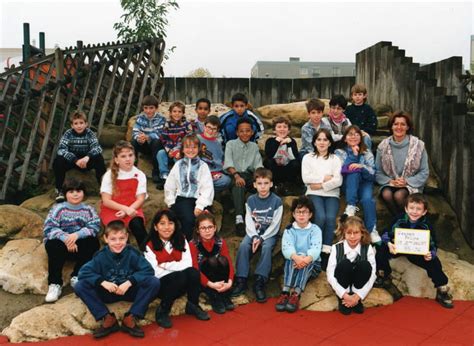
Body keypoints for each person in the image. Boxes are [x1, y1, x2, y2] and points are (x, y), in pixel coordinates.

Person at [74, 220, 160, 338]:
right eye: (113, 239)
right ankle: (107, 318)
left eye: (121, 238)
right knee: (80, 285)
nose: (118, 243)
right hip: (109, 292)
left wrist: (130, 282)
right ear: (106, 238)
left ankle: (131, 317)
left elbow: (148, 270)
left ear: (127, 237)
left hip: (129, 291)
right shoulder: (101, 256)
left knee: (153, 281)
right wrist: (102, 282)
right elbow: (83, 272)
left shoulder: (132, 253)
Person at [375, 193, 453, 308]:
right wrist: (389, 243)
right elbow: (386, 233)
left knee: (434, 261)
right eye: (411, 208)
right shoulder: (399, 219)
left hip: (416, 252)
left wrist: (430, 253)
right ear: (406, 208)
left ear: (424, 211)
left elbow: (433, 243)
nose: (414, 211)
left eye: (418, 209)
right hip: (398, 249)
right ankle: (383, 274)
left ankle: (441, 289)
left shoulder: (426, 225)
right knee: (381, 248)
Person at [144, 209, 210, 329]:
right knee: (179, 276)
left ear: (175, 225)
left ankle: (193, 305)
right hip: (162, 286)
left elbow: (188, 264)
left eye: (170, 223)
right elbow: (155, 272)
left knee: (193, 272)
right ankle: (163, 309)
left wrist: (165, 265)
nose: (167, 227)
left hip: (180, 283)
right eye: (162, 223)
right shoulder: (149, 246)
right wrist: (177, 266)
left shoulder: (181, 239)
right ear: (155, 227)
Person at [43, 178, 100, 303]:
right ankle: (55, 284)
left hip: (79, 245)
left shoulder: (88, 210)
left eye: (78, 191)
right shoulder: (58, 209)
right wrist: (66, 238)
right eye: (71, 191)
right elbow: (49, 228)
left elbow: (94, 227)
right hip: (61, 245)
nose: (75, 194)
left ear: (83, 193)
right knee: (52, 244)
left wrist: (77, 235)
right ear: (65, 194)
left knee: (93, 242)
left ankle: (78, 275)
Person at [231, 168, 283, 303]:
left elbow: (275, 224)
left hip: (269, 234)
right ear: (254, 185)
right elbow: (248, 220)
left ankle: (259, 281)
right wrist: (254, 236)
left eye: (266, 183)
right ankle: (241, 279)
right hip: (253, 232)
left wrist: (261, 238)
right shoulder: (250, 200)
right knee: (243, 246)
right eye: (259, 183)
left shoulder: (277, 201)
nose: (263, 187)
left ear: (271, 184)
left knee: (266, 248)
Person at [302, 129, 343, 269]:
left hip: (332, 194)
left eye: (325, 139)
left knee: (330, 218)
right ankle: (315, 250)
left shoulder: (335, 159)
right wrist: (325, 178)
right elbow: (306, 178)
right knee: (320, 217)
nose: (322, 142)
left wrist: (319, 185)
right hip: (313, 194)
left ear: (330, 142)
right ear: (314, 142)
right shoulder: (308, 158)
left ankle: (326, 252)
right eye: (319, 139)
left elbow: (338, 181)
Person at [375, 111, 429, 215]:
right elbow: (377, 171)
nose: (399, 127)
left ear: (408, 127)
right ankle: (399, 221)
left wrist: (406, 181)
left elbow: (424, 171)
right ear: (391, 126)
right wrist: (391, 181)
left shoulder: (418, 145)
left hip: (411, 184)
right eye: (395, 124)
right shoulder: (382, 146)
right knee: (386, 194)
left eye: (403, 124)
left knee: (399, 195)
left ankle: (403, 223)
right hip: (390, 183)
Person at [335, 125, 381, 244]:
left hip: (364, 183)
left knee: (367, 200)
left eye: (356, 134)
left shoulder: (367, 152)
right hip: (348, 184)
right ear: (345, 138)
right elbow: (341, 169)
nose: (353, 136)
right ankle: (351, 205)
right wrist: (353, 156)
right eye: (350, 134)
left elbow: (372, 173)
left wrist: (362, 167)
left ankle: (372, 230)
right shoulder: (339, 152)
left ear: (361, 138)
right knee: (353, 173)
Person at [276, 196, 322, 313]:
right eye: (298, 212)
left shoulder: (315, 230)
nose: (301, 215)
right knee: (290, 258)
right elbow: (287, 247)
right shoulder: (289, 230)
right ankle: (285, 292)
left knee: (306, 263)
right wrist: (297, 258)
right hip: (295, 262)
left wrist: (305, 260)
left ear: (310, 214)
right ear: (293, 214)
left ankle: (296, 294)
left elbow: (315, 249)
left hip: (312, 264)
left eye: (305, 212)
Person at [164, 134, 214, 240]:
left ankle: (203, 248)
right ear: (182, 149)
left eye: (194, 147)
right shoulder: (178, 165)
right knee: (189, 220)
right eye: (187, 147)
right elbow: (169, 185)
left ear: (199, 149)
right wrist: (171, 202)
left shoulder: (203, 166)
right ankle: (187, 247)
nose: (190, 150)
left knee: (206, 219)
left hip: (199, 199)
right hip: (183, 199)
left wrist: (200, 206)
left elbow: (207, 188)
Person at [100, 140, 148, 250]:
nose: (128, 159)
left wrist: (129, 210)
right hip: (113, 210)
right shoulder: (109, 175)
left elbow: (140, 198)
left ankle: (148, 256)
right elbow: (106, 200)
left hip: (133, 207)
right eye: (123, 156)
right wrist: (125, 209)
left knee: (138, 226)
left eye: (130, 155)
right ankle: (124, 256)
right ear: (116, 160)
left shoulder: (140, 175)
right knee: (117, 231)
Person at [53, 110, 106, 203]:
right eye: (76, 123)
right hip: (73, 161)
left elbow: (97, 148)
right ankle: (59, 190)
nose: (79, 125)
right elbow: (61, 149)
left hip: (86, 160)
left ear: (86, 124)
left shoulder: (90, 133)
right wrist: (75, 160)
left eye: (81, 123)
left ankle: (104, 188)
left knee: (99, 158)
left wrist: (87, 157)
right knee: (58, 160)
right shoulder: (68, 134)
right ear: (72, 125)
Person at [326, 216, 376, 315]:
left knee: (365, 265)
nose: (352, 237)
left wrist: (358, 296)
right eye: (349, 233)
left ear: (362, 233)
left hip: (358, 285)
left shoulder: (368, 248)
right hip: (343, 283)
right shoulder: (336, 248)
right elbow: (330, 275)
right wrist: (344, 295)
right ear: (344, 233)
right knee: (345, 264)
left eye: (356, 233)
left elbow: (373, 275)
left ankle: (355, 298)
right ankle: (344, 299)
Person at [224, 118, 263, 235]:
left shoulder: (254, 146)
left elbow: (258, 165)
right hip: (233, 174)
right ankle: (239, 219)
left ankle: (260, 220)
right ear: (237, 133)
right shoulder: (230, 144)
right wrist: (236, 176)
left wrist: (259, 179)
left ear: (252, 132)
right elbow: (228, 163)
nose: (245, 133)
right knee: (238, 185)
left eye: (247, 131)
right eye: (241, 131)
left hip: (249, 176)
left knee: (261, 184)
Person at [190, 212, 235, 314]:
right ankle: (214, 296)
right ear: (198, 230)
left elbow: (229, 262)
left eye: (210, 227)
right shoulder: (193, 244)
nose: (207, 231)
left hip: (220, 276)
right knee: (212, 260)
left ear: (215, 228)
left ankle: (224, 294)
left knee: (223, 260)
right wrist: (211, 285)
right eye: (203, 228)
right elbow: (195, 268)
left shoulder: (220, 241)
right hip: (205, 279)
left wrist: (230, 282)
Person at [156, 101, 194, 188]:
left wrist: (180, 151)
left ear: (183, 113)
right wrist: (169, 150)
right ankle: (164, 177)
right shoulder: (167, 124)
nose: (177, 114)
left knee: (178, 158)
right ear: (170, 113)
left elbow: (189, 139)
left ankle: (179, 179)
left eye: (179, 112)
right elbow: (164, 139)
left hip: (182, 151)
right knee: (160, 153)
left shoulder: (187, 125)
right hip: (170, 150)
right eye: (174, 111)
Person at [131, 95, 166, 183]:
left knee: (156, 141)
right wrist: (139, 138)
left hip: (156, 147)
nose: (148, 111)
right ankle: (132, 169)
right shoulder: (140, 118)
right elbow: (135, 131)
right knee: (133, 142)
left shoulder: (161, 119)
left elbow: (160, 134)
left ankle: (156, 172)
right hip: (144, 145)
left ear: (156, 108)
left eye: (151, 108)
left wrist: (148, 137)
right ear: (143, 108)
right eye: (145, 108)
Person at [264, 116, 300, 195]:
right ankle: (275, 186)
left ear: (289, 130)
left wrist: (289, 144)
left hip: (287, 169)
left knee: (296, 163)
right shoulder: (270, 141)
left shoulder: (292, 141)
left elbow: (294, 157)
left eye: (285, 127)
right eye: (279, 127)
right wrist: (276, 142)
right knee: (268, 161)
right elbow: (269, 155)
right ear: (274, 130)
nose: (282, 129)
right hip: (275, 169)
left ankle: (288, 186)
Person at [197, 115, 232, 192]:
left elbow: (220, 159)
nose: (210, 131)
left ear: (217, 130)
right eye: (208, 127)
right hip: (199, 171)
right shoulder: (197, 138)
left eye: (214, 129)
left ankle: (204, 190)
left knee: (226, 181)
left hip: (213, 172)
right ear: (204, 126)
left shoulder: (218, 143)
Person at [344, 84, 377, 149]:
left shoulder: (368, 109)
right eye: (355, 95)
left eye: (359, 94)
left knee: (366, 139)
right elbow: (345, 123)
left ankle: (367, 157)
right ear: (352, 96)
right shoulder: (348, 109)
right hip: (351, 133)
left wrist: (364, 131)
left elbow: (373, 123)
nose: (357, 97)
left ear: (364, 95)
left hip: (364, 133)